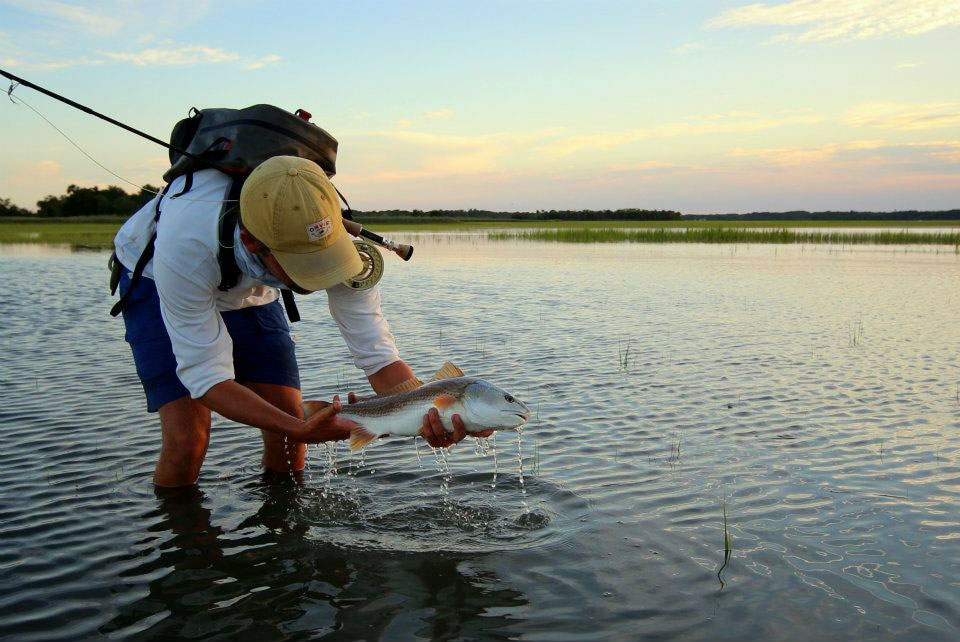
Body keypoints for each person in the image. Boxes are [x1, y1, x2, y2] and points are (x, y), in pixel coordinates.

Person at [113, 155, 486, 487]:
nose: (317, 278)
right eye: (303, 267)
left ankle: (284, 539)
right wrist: (301, 428)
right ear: (252, 241)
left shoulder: (329, 232)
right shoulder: (185, 247)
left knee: (290, 432)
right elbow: (207, 378)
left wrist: (433, 412)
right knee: (188, 440)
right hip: (155, 281)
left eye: (324, 261)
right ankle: (186, 551)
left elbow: (378, 356)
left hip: (254, 287)